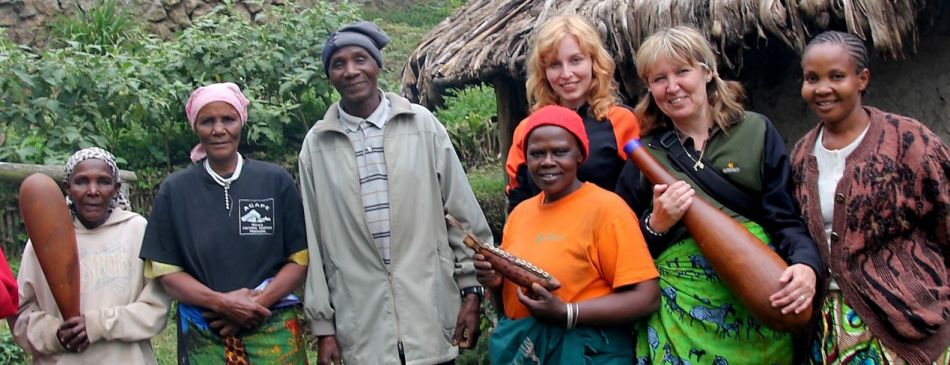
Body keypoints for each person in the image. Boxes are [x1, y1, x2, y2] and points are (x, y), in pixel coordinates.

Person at [613, 26, 822, 364]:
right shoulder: (644, 156)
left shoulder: (755, 131)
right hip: (681, 321)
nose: (672, 87)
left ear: (707, 71)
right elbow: (622, 249)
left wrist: (805, 266)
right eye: (659, 78)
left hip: (758, 298)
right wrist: (656, 225)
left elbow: (784, 219)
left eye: (683, 71)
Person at [299, 21, 492, 365]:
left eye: (360, 59)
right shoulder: (317, 144)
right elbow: (315, 240)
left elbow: (462, 216)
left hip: (429, 311)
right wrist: (324, 328)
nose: (351, 71)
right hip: (360, 323)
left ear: (378, 64)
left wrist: (472, 291)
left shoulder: (421, 126)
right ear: (328, 75)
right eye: (338, 64)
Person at [792, 30, 950, 365]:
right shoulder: (801, 155)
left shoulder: (907, 141)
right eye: (811, 78)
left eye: (836, 76)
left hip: (913, 323)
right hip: (832, 332)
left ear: (862, 79)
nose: (822, 89)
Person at [139, 82, 309, 364]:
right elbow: (166, 271)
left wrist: (256, 305)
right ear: (196, 127)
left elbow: (300, 258)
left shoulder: (274, 180)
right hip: (205, 332)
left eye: (227, 119)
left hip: (273, 326)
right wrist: (222, 303)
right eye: (207, 121)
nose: (218, 130)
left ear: (241, 122)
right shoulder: (176, 189)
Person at [476, 105, 659, 364]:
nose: (547, 162)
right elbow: (510, 308)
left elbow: (647, 297)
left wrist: (568, 313)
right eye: (537, 153)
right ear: (526, 159)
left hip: (589, 352)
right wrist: (495, 284)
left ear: (580, 156)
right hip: (528, 349)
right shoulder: (520, 215)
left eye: (560, 152)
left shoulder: (607, 209)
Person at [14, 147, 170, 364]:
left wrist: (97, 324)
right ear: (68, 188)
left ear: (116, 189)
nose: (93, 190)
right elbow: (21, 316)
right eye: (82, 181)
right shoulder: (43, 241)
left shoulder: (137, 231)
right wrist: (55, 333)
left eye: (104, 182)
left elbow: (156, 307)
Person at [505, 14, 640, 211]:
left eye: (575, 60)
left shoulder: (622, 121)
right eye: (555, 64)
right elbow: (518, 201)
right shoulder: (527, 129)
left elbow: (640, 195)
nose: (566, 74)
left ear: (594, 62)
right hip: (547, 238)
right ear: (543, 72)